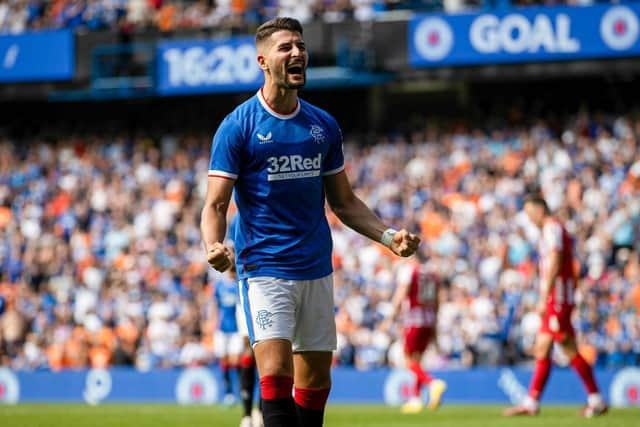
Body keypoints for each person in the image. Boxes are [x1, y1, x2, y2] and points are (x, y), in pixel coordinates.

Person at [200, 17, 420, 427]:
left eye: (300, 46)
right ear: (263, 61)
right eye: (286, 47)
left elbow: (345, 202)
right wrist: (214, 246)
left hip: (316, 268)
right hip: (264, 269)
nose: (298, 53)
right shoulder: (238, 126)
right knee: (276, 375)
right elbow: (215, 205)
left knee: (316, 382)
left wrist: (389, 237)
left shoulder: (323, 126)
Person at [503, 194, 607, 417]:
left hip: (557, 298)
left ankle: (595, 399)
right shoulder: (552, 230)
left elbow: (556, 260)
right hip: (558, 297)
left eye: (531, 214)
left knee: (568, 348)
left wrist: (545, 295)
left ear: (540, 209)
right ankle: (532, 402)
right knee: (542, 347)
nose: (530, 220)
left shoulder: (552, 228)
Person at [381, 258, 446, 413]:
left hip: (414, 320)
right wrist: (435, 325)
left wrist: (389, 319)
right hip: (428, 320)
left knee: (408, 359)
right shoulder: (432, 273)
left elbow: (401, 294)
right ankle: (415, 399)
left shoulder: (409, 270)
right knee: (418, 360)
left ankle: (432, 383)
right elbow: (437, 301)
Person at [213, 247, 244, 406]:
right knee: (224, 360)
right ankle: (228, 393)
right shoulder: (219, 285)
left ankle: (241, 390)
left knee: (236, 360)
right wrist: (212, 323)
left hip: (237, 329)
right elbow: (214, 305)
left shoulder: (239, 283)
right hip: (222, 328)